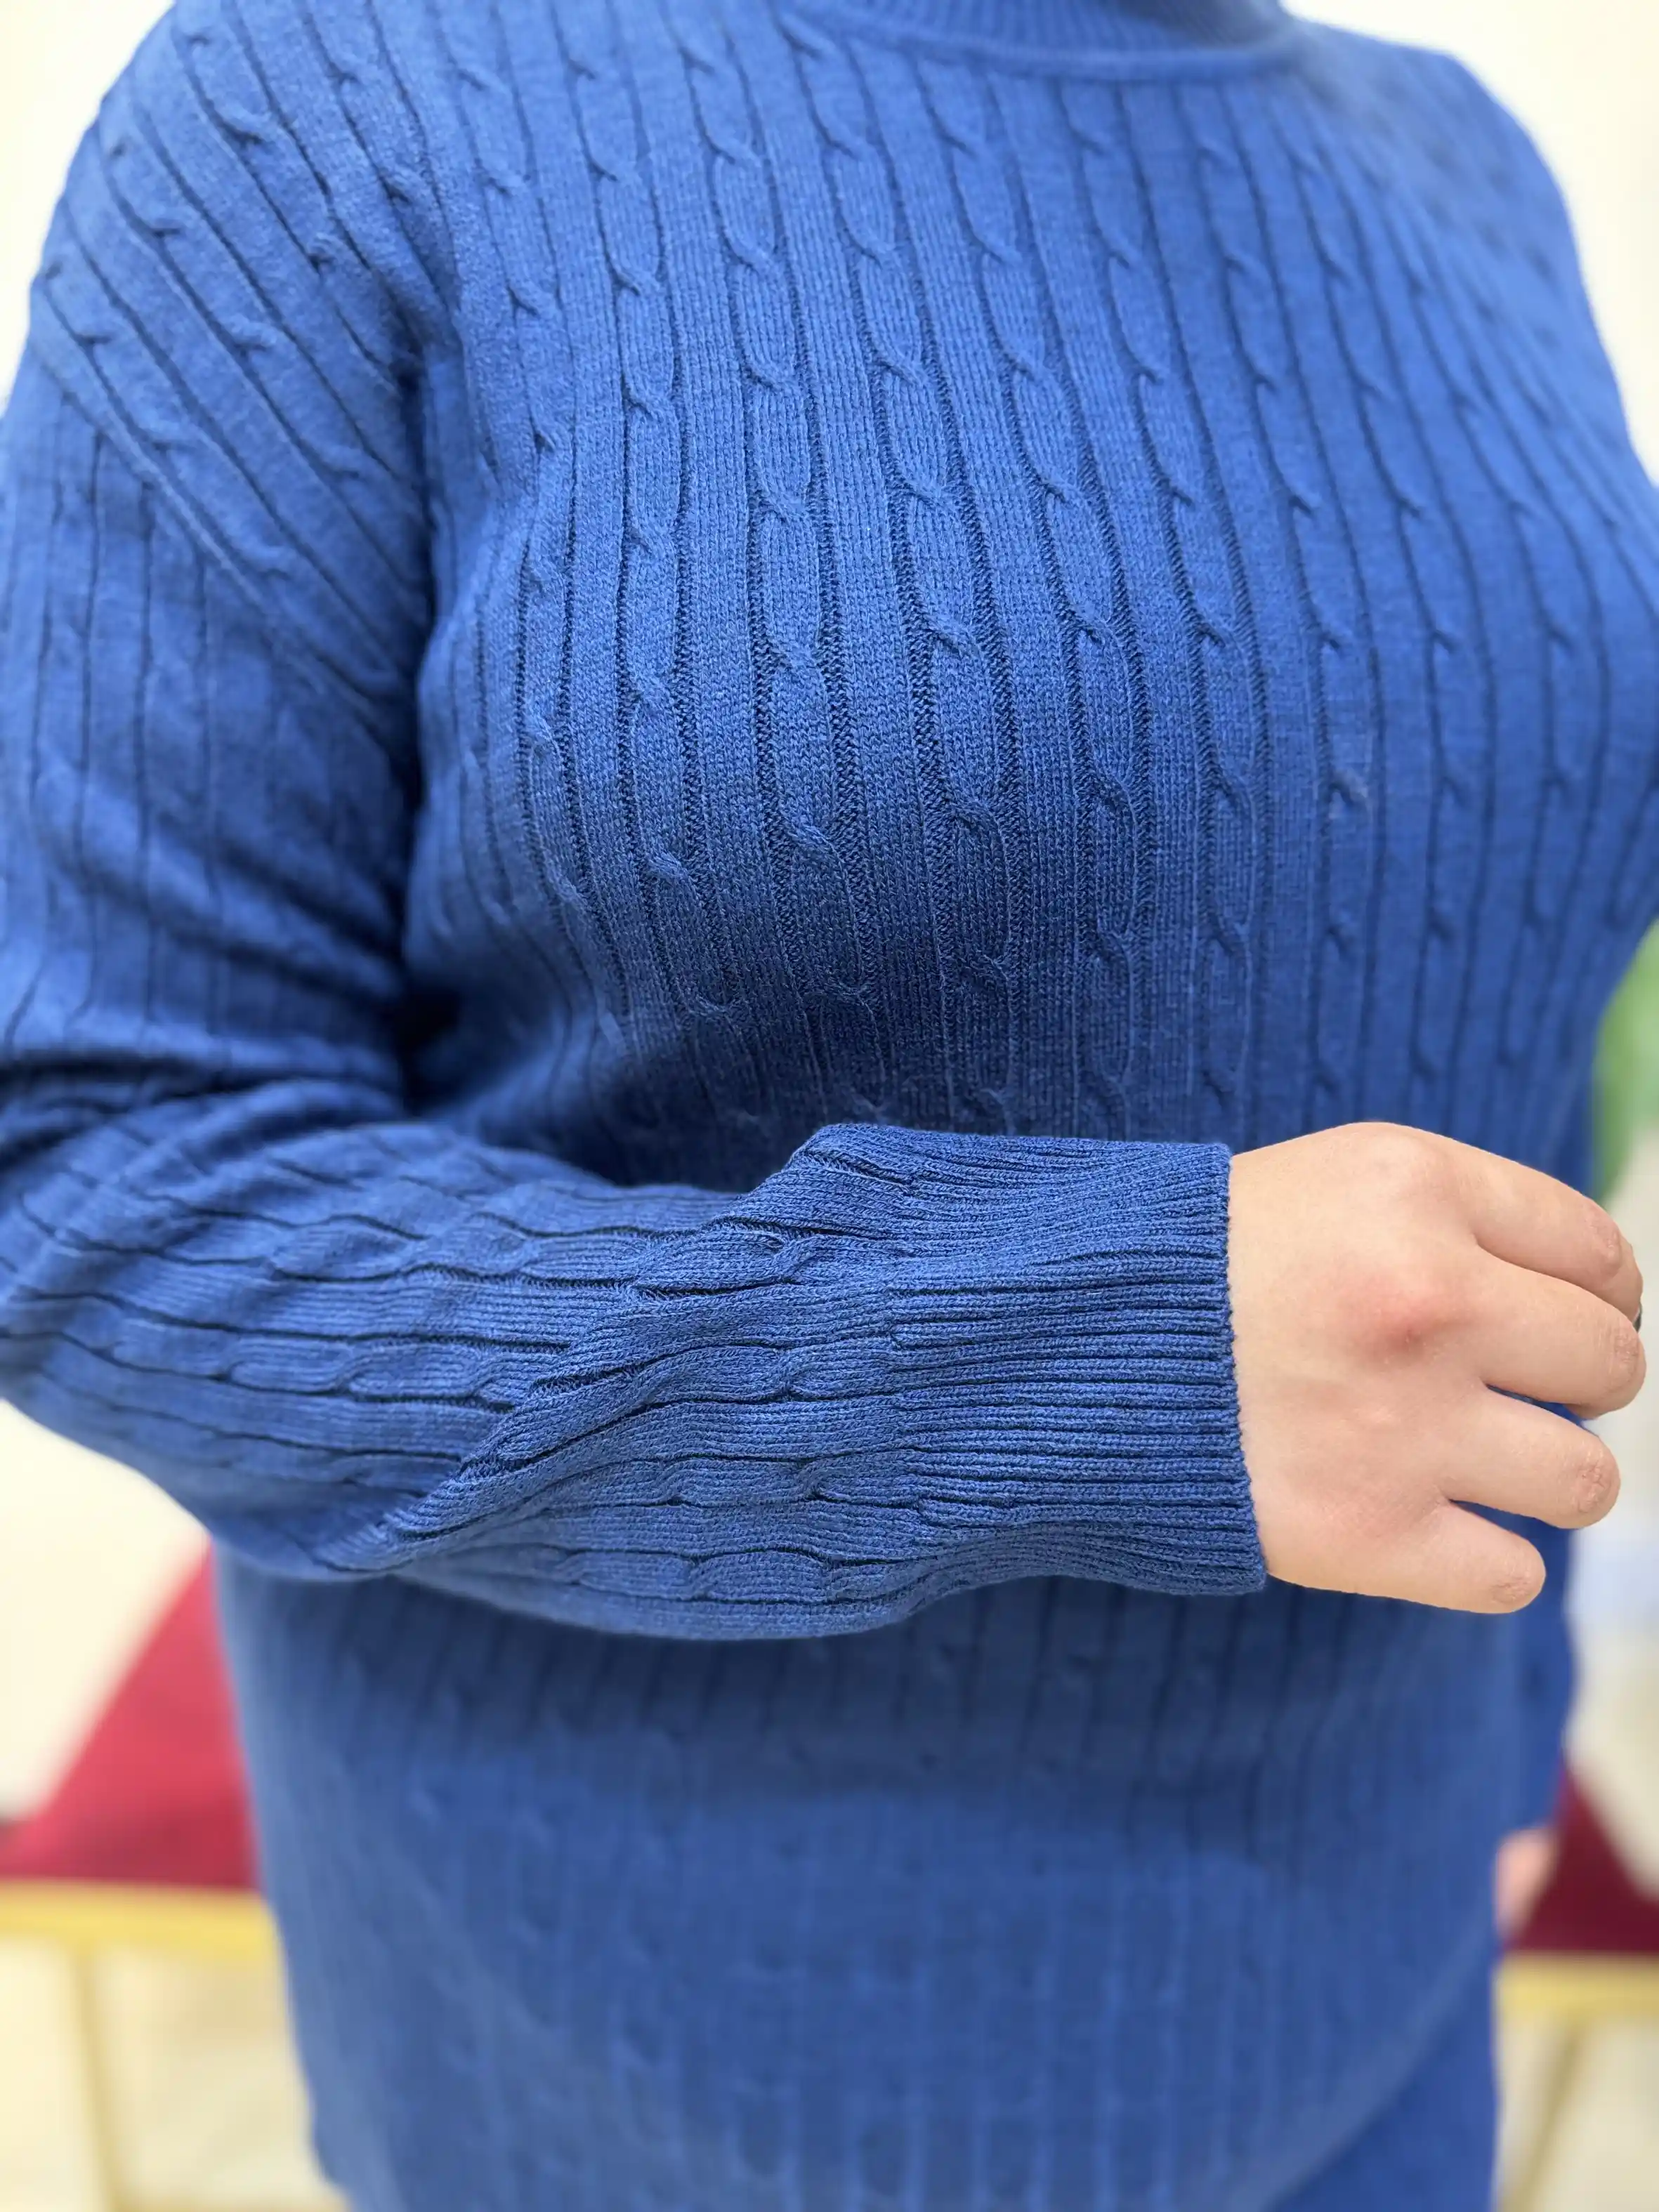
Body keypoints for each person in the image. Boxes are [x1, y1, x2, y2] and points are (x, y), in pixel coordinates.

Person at [1, 0, 1654, 2202]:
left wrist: (1510, 1729)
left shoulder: (1463, 160)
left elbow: (1508, 1015)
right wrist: (1086, 1355)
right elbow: (88, 1171)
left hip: (1387, 1993)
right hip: (662, 2076)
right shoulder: (333, 95)